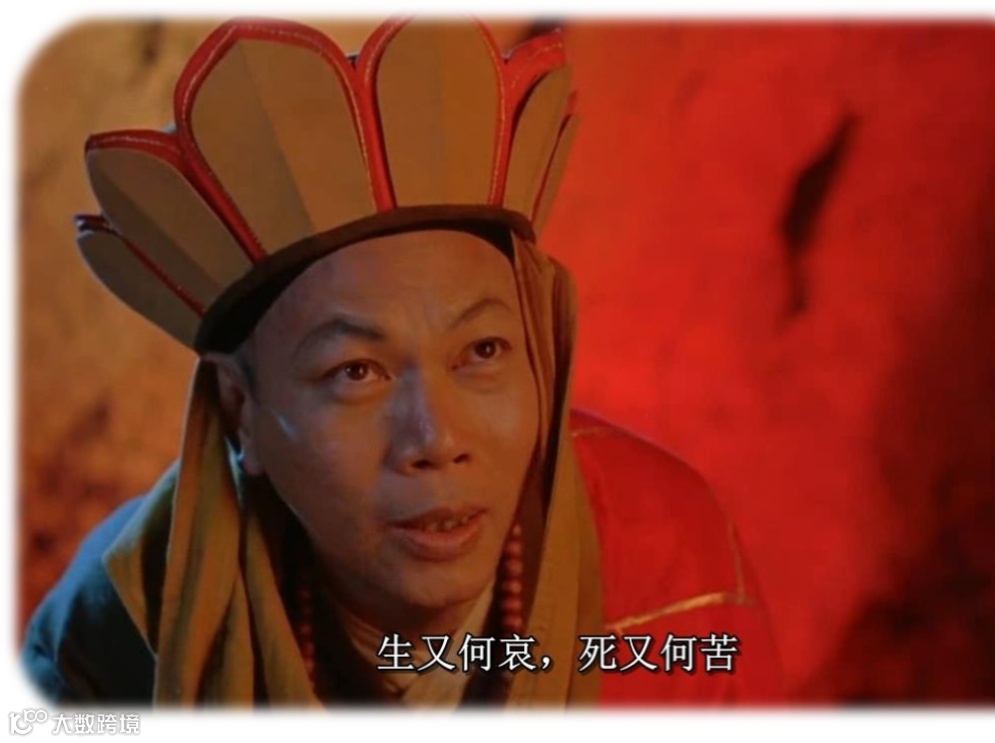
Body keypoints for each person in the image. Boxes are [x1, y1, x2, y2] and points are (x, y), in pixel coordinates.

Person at [22, 16, 783, 706]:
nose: (436, 439)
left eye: (483, 351)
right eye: (356, 371)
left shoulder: (676, 568)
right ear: (240, 409)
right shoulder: (119, 626)